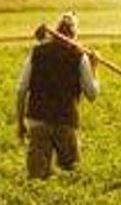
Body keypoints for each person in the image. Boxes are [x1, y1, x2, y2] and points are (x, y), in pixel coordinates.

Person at [15, 12, 99, 179]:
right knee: (72, 175)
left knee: (37, 179)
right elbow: (92, 94)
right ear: (74, 34)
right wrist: (94, 68)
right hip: (66, 122)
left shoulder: (37, 53)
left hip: (38, 121)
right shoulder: (79, 57)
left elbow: (21, 90)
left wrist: (20, 123)